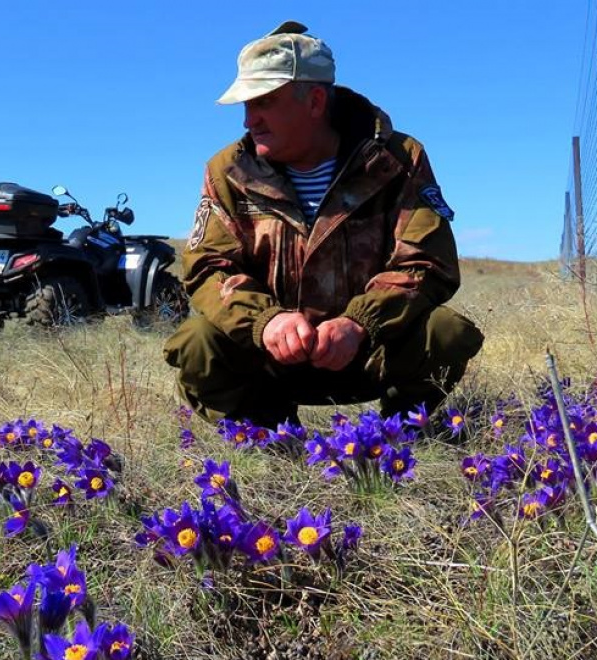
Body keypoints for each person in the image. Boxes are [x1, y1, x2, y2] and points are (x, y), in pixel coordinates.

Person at [162, 21, 485, 429]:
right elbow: (208, 268)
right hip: (267, 362)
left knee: (445, 332)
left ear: (315, 101)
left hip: (370, 352)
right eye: (246, 106)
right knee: (196, 342)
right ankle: (267, 439)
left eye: (263, 102)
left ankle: (401, 434)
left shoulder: (396, 158)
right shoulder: (228, 170)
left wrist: (360, 323)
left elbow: (426, 263)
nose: (249, 120)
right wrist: (267, 322)